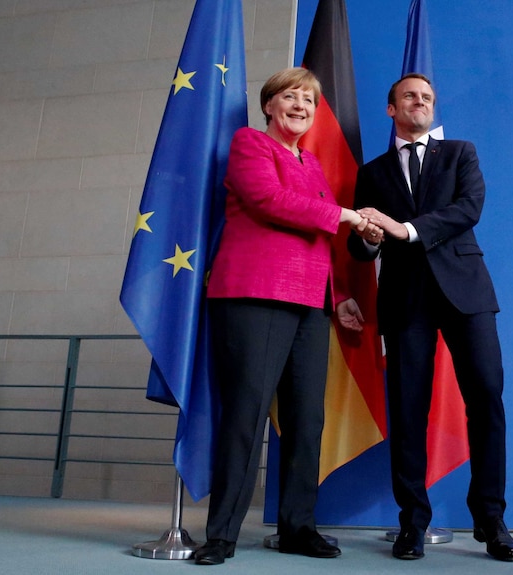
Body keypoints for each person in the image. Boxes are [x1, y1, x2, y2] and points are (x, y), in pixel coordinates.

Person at [193, 68, 383, 566]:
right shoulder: (250, 145)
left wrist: (338, 294)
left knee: (306, 419)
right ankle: (223, 535)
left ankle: (298, 527)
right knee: (246, 413)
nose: (301, 105)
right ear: (270, 107)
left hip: (310, 301)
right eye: (290, 97)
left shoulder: (315, 165)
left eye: (309, 100)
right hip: (255, 294)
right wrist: (345, 215)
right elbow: (267, 200)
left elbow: (318, 237)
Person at [347, 73, 513, 562]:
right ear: (391, 108)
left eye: (427, 98)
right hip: (405, 300)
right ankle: (411, 524)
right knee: (407, 412)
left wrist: (402, 229)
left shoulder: (461, 153)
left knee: (486, 398)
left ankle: (491, 519)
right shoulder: (372, 172)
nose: (420, 102)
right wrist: (369, 239)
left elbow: (469, 209)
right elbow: (358, 247)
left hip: (467, 293)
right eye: (410, 96)